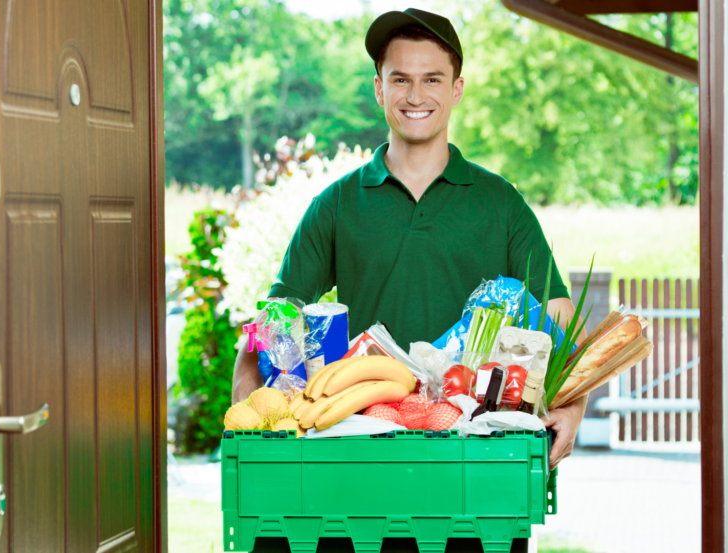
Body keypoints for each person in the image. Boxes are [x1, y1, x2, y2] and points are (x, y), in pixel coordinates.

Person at [231, 8, 586, 468]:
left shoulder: (501, 204)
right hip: (360, 450)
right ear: (379, 88)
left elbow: (560, 320)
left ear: (457, 90)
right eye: (400, 79)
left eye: (433, 79)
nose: (415, 95)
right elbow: (277, 315)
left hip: (476, 455)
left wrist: (573, 407)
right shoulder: (336, 204)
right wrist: (245, 386)